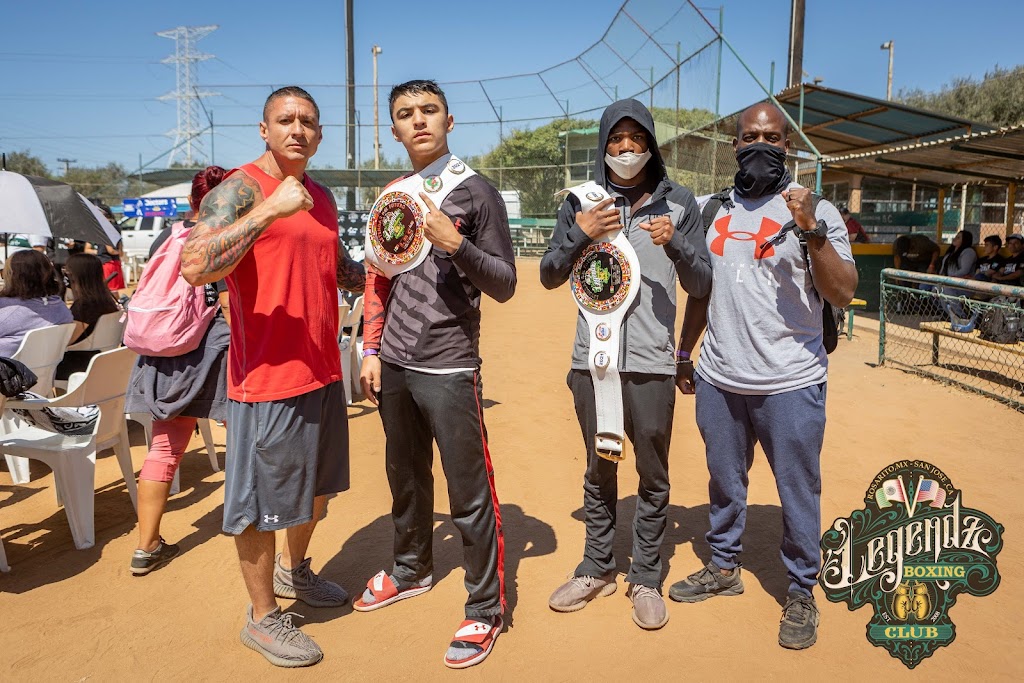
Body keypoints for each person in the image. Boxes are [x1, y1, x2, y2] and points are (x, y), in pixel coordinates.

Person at [180, 86, 366, 668]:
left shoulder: (321, 196)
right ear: (264, 130)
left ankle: (295, 570)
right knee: (260, 503)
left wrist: (389, 264)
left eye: (308, 122)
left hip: (321, 370)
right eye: (285, 120)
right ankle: (261, 618)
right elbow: (193, 265)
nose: (298, 130)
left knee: (317, 491)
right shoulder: (241, 188)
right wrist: (267, 211)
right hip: (265, 378)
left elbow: (338, 268)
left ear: (319, 133)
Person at [669, 103, 858, 650]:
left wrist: (812, 233)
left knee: (797, 489)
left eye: (772, 138)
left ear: (787, 147)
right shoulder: (711, 208)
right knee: (724, 481)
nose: (761, 146)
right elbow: (703, 290)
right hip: (720, 377)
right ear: (735, 146)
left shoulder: (815, 209)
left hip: (790, 381)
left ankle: (801, 590)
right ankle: (723, 567)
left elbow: (843, 291)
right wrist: (686, 351)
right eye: (750, 136)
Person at [355, 79, 515, 669]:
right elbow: (377, 277)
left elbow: (504, 283)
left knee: (468, 490)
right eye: (405, 114)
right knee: (405, 474)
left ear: (450, 120)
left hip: (449, 363)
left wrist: (454, 245)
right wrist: (371, 350)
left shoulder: (475, 192)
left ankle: (485, 607)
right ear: (393, 129)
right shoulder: (392, 194)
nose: (418, 121)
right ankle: (411, 568)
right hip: (393, 361)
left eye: (428, 111)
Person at [539, 99, 711, 631]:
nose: (627, 148)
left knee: (652, 472)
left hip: (653, 364)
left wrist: (677, 243)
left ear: (652, 143)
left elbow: (703, 283)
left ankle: (646, 576)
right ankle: (597, 567)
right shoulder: (582, 202)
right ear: (604, 144)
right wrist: (582, 231)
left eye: (637, 138)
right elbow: (548, 273)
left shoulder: (680, 202)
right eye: (617, 139)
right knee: (599, 465)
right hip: (592, 361)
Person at [124, 166, 230, 576]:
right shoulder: (229, 241)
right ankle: (252, 530)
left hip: (166, 350)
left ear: (191, 202)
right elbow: (228, 303)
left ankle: (146, 546)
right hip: (216, 350)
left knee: (164, 450)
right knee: (242, 439)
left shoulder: (165, 237)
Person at [54, 253, 121, 380]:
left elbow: (66, 340)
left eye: (66, 271)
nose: (64, 274)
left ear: (75, 275)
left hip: (79, 365)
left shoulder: (84, 306)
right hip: (102, 361)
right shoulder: (106, 301)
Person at [0, 249, 73, 357]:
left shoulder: (8, 310)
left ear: (15, 277)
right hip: (41, 371)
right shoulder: (61, 309)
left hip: (8, 370)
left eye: (5, 272)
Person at [85, 201, 125, 292]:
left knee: (110, 290)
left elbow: (110, 249)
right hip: (109, 261)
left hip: (108, 262)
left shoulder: (108, 227)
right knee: (110, 290)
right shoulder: (111, 227)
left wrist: (115, 251)